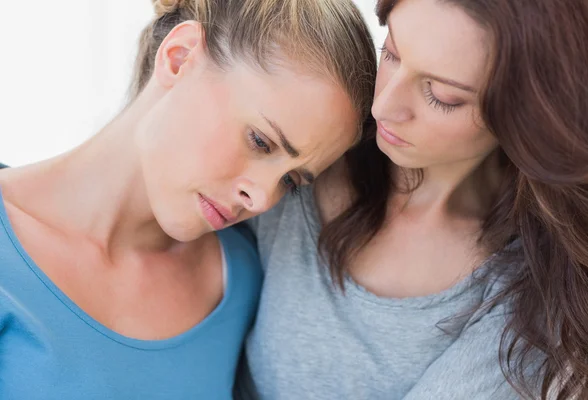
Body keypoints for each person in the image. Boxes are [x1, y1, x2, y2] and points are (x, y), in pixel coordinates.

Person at [0, 0, 377, 398]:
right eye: (260, 141)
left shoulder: (238, 278)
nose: (262, 198)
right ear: (179, 59)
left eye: (290, 180)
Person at [236, 0, 588, 399]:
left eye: (442, 95)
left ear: (531, 114)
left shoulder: (541, 291)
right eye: (390, 52)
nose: (383, 107)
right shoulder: (302, 150)